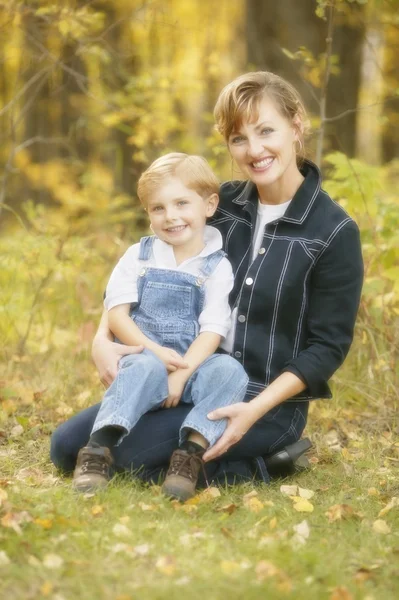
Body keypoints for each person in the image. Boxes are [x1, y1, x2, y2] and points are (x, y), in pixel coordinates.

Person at [51, 71, 363, 488]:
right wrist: (102, 340)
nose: (254, 150)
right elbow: (148, 267)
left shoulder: (333, 231)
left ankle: (271, 461)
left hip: (262, 400)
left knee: (127, 459)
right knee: (67, 447)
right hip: (186, 376)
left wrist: (253, 410)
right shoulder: (219, 204)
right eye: (238, 138)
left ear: (296, 125)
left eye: (266, 131)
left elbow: (327, 348)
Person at [72, 153, 248, 500]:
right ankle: (98, 449)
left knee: (230, 371)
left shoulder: (217, 265)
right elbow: (118, 314)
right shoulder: (138, 255)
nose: (171, 216)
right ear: (147, 213)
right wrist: (154, 352)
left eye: (182, 203)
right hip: (144, 354)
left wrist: (182, 373)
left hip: (191, 364)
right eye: (158, 208)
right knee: (142, 365)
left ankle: (190, 456)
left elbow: (213, 329)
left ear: (209, 204)